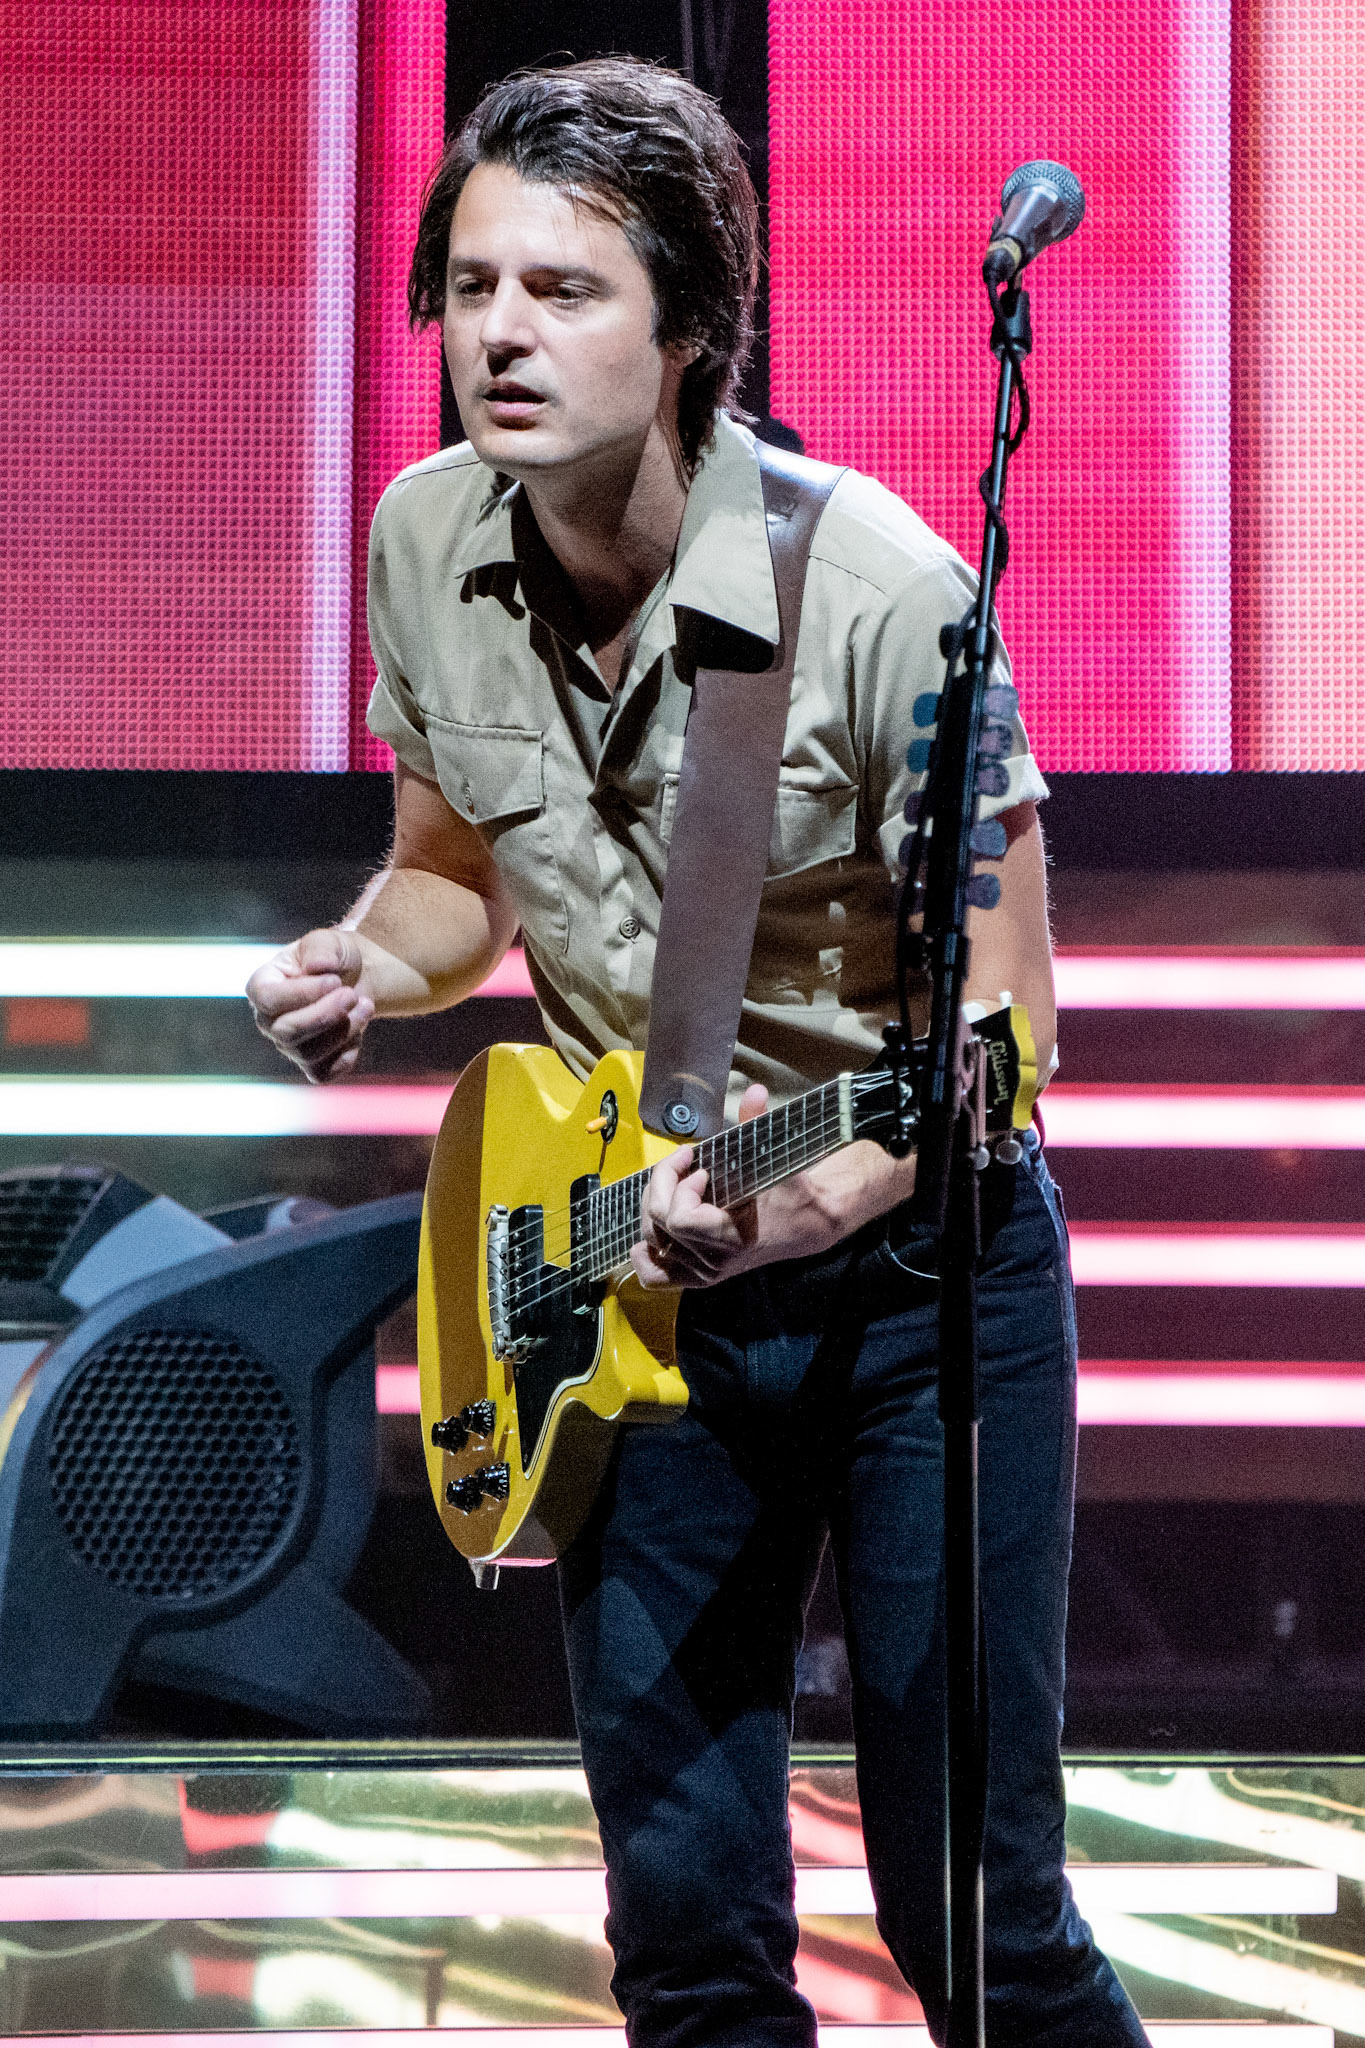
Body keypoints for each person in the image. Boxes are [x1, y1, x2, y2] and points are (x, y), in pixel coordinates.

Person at [248, 57, 1147, 2048]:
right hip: (625, 1286)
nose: (498, 333)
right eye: (469, 286)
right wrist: (362, 962)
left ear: (686, 331)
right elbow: (451, 876)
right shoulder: (420, 540)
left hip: (919, 1289)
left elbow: (1006, 1031)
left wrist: (828, 1192)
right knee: (684, 1938)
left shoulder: (881, 589)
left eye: (561, 290)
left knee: (974, 1924)